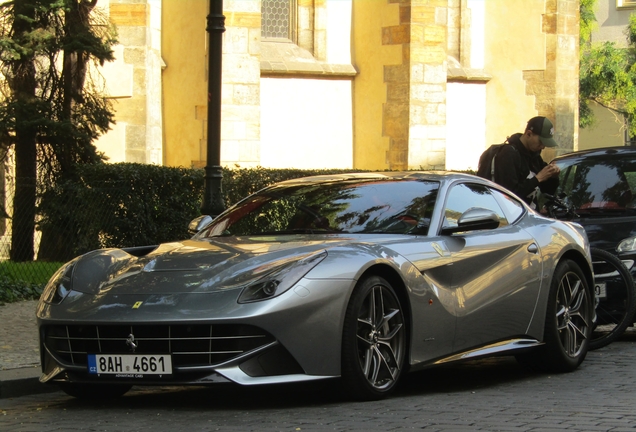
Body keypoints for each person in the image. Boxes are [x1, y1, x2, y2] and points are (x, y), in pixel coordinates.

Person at [491, 116, 560, 209]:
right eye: (541, 141)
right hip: (513, 217)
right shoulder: (509, 154)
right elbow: (509, 194)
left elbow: (547, 191)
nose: (543, 147)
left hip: (531, 216)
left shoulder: (534, 156)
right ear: (528, 134)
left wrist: (553, 176)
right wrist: (538, 178)